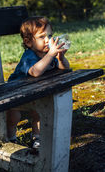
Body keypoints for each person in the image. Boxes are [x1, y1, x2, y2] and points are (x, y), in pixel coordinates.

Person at [6, 16, 70, 149]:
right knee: (14, 118)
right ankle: (11, 138)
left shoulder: (48, 54)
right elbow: (35, 71)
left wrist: (61, 58)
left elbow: (65, 69)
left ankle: (37, 138)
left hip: (34, 91)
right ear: (28, 42)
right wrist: (51, 55)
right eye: (42, 37)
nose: (49, 40)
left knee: (38, 115)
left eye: (50, 35)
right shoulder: (29, 56)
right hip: (16, 92)